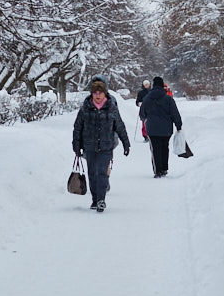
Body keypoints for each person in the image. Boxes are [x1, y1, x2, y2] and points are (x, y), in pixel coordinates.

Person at [72, 77, 131, 212]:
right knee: (92, 173)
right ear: (91, 94)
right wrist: (76, 146)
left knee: (102, 173)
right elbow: (77, 128)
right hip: (90, 146)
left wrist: (126, 144)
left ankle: (101, 200)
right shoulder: (85, 109)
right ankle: (94, 199)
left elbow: (120, 127)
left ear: (105, 93)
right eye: (95, 93)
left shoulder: (111, 108)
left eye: (100, 92)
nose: (98, 95)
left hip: (106, 146)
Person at [139, 76, 182, 178]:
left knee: (155, 149)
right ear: (162, 85)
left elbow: (142, 113)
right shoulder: (168, 98)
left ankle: (158, 171)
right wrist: (178, 125)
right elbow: (175, 113)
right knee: (164, 147)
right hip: (166, 128)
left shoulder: (147, 99)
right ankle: (164, 168)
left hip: (152, 128)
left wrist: (145, 118)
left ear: (153, 85)